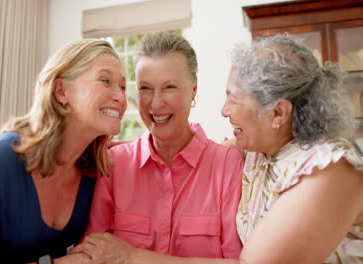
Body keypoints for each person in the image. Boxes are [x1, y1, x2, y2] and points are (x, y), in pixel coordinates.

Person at [74, 34, 363, 264]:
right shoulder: (261, 153)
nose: (224, 111)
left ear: (278, 114)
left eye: (233, 99)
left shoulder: (331, 170)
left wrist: (131, 257)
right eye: (146, 88)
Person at [0, 38, 127, 263]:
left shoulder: (92, 171)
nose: (120, 96)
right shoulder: (4, 158)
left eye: (123, 86)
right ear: (61, 91)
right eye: (105, 81)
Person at [68, 32, 244, 262]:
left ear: (193, 90)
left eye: (169, 87)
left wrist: (131, 256)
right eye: (145, 88)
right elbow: (91, 256)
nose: (156, 103)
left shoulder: (227, 164)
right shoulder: (114, 164)